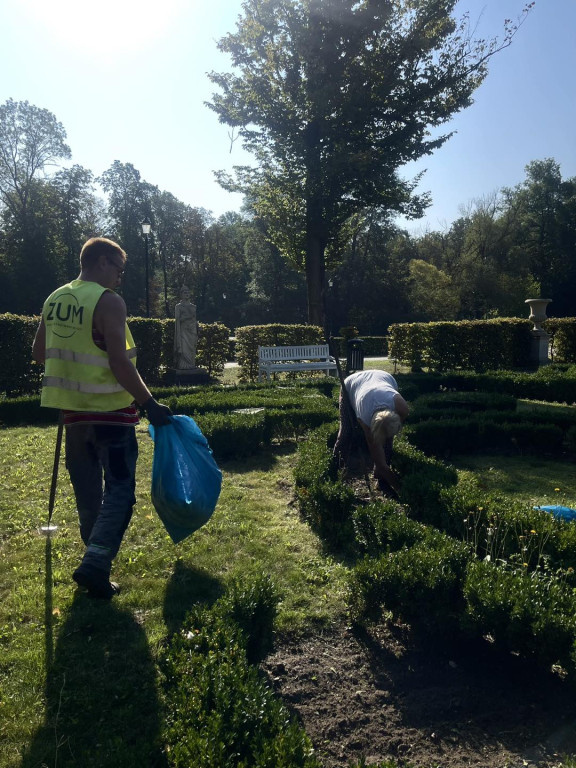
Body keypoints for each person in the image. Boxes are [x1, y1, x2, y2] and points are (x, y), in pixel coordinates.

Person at [32, 237, 172, 599]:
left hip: (73, 416)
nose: (120, 277)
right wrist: (149, 403)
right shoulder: (107, 301)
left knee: (89, 494)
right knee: (121, 492)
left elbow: (38, 353)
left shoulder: (56, 298)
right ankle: (95, 563)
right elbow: (118, 360)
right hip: (112, 415)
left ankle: (94, 565)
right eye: (118, 268)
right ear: (101, 262)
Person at [333, 369, 409, 495]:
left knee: (388, 444)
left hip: (382, 377)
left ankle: (380, 479)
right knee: (346, 433)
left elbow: (395, 424)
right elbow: (379, 460)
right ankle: (335, 468)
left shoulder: (402, 407)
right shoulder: (364, 418)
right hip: (351, 385)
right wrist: (400, 488)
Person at [174, 287, 197, 370]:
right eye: (185, 292)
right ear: (181, 295)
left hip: (192, 331)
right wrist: (186, 317)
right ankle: (183, 366)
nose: (187, 294)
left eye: (188, 292)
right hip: (183, 331)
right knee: (183, 348)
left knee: (191, 349)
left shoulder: (193, 307)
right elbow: (178, 320)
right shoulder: (178, 307)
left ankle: (191, 364)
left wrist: (197, 327)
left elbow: (194, 319)